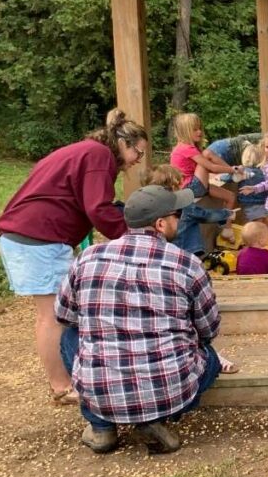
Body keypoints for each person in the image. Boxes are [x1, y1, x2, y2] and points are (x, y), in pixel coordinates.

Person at [55, 185, 224, 454]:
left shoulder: (88, 257)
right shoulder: (187, 263)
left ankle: (101, 427)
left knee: (69, 337)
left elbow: (64, 315)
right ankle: (152, 419)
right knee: (211, 357)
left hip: (100, 391)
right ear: (160, 223)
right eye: (176, 214)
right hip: (170, 389)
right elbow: (208, 328)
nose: (179, 219)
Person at [0, 108, 148, 406]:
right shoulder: (99, 156)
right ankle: (61, 386)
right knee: (54, 316)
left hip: (32, 235)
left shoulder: (85, 151)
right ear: (124, 143)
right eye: (137, 153)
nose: (137, 161)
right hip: (37, 237)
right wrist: (132, 241)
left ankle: (68, 377)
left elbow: (74, 198)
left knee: (60, 312)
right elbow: (97, 207)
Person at [145, 164, 234, 257]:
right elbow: (205, 216)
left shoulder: (149, 206)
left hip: (164, 252)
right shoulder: (184, 204)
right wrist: (226, 214)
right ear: (173, 186)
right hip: (187, 251)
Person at [170, 113, 239, 209]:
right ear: (185, 131)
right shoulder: (186, 148)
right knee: (207, 154)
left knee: (231, 196)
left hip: (195, 186)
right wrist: (233, 169)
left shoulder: (184, 147)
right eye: (195, 130)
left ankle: (225, 223)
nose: (199, 132)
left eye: (200, 129)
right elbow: (212, 167)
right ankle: (234, 172)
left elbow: (208, 170)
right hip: (190, 188)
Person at [236, 142, 268, 223]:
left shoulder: (242, 172)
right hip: (265, 202)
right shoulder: (265, 171)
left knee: (255, 226)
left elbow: (228, 177)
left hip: (249, 204)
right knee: (262, 223)